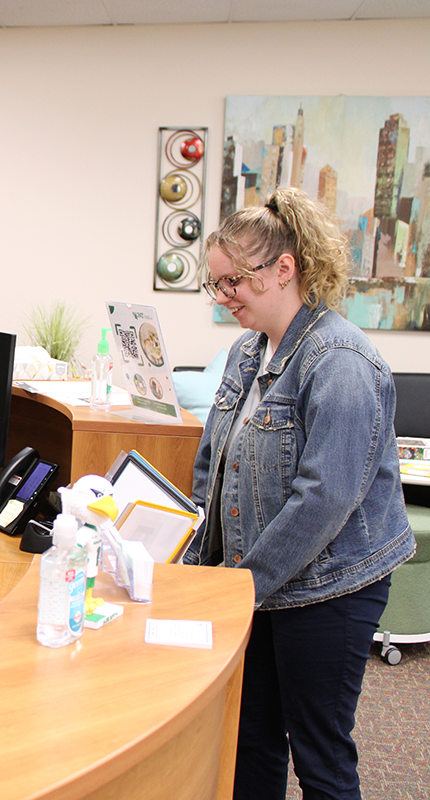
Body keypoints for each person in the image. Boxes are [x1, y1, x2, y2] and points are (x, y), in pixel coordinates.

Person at [183, 187, 414, 800]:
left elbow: (325, 499)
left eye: (234, 282)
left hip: (330, 585)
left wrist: (241, 583)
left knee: (320, 753)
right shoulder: (246, 350)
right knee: (251, 737)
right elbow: (216, 460)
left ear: (283, 269)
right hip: (257, 581)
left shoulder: (339, 360)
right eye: (217, 284)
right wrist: (200, 564)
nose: (225, 297)